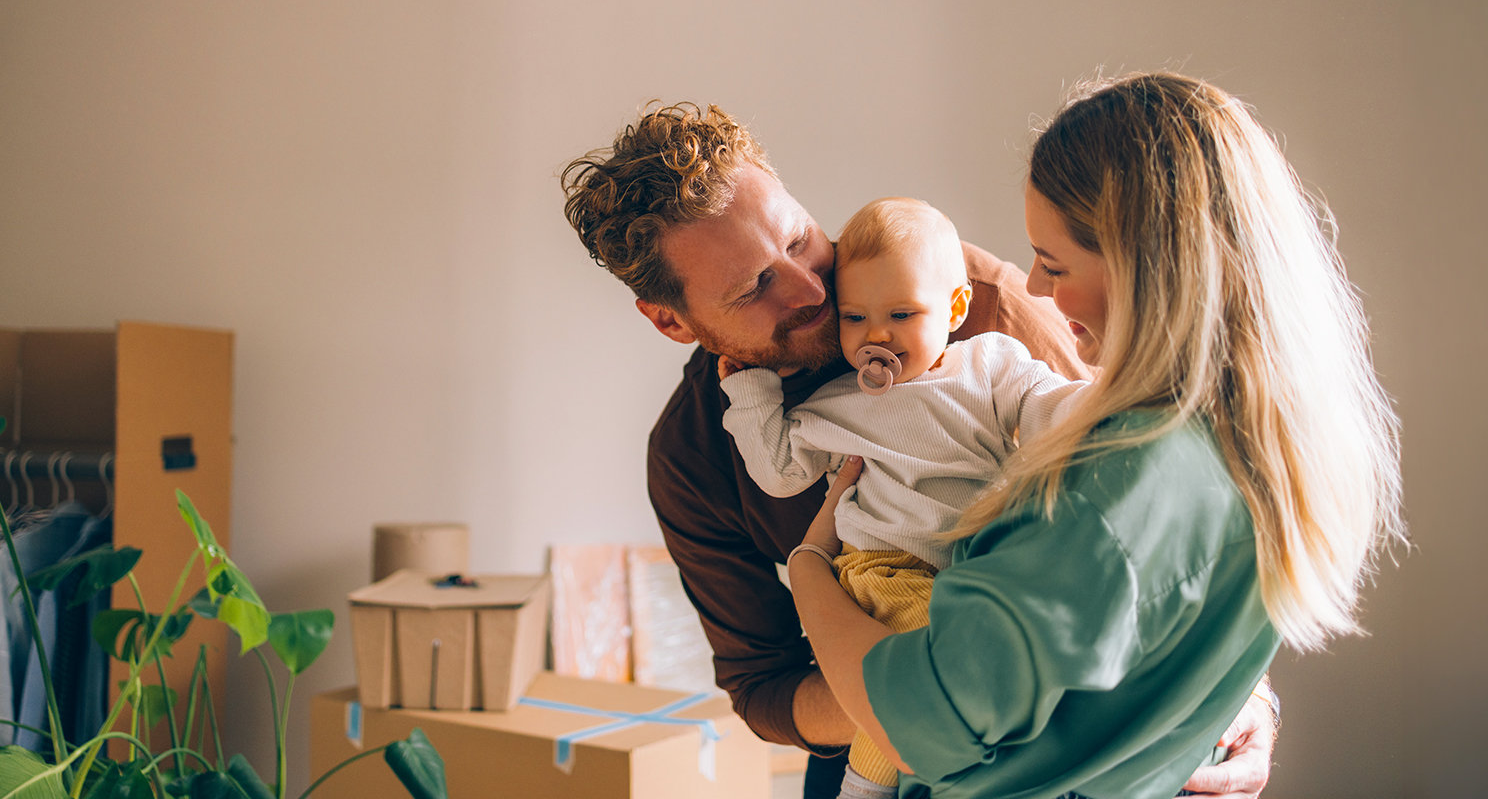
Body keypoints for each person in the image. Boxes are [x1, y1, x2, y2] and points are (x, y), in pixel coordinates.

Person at [560, 101, 1279, 799]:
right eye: (756, 287)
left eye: (800, 239)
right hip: (888, 708)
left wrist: (1238, 692)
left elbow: (1151, 487)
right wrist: (914, 695)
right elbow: (762, 686)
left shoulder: (966, 297)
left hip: (1074, 683)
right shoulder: (694, 457)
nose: (812, 288)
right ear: (669, 320)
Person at [784, 72, 1405, 798]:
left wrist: (809, 570)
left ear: (1150, 267)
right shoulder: (1253, 441)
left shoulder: (1110, 485)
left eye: (1052, 264)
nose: (1037, 292)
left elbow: (920, 725)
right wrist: (1248, 705)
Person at [720, 196, 1085, 796]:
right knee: (917, 669)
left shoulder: (990, 364)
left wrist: (1111, 406)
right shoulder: (840, 401)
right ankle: (865, 787)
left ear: (956, 306)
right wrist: (753, 392)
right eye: (855, 319)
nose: (877, 335)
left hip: (980, 573)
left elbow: (1048, 408)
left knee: (1013, 660)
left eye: (902, 314)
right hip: (889, 569)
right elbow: (782, 470)